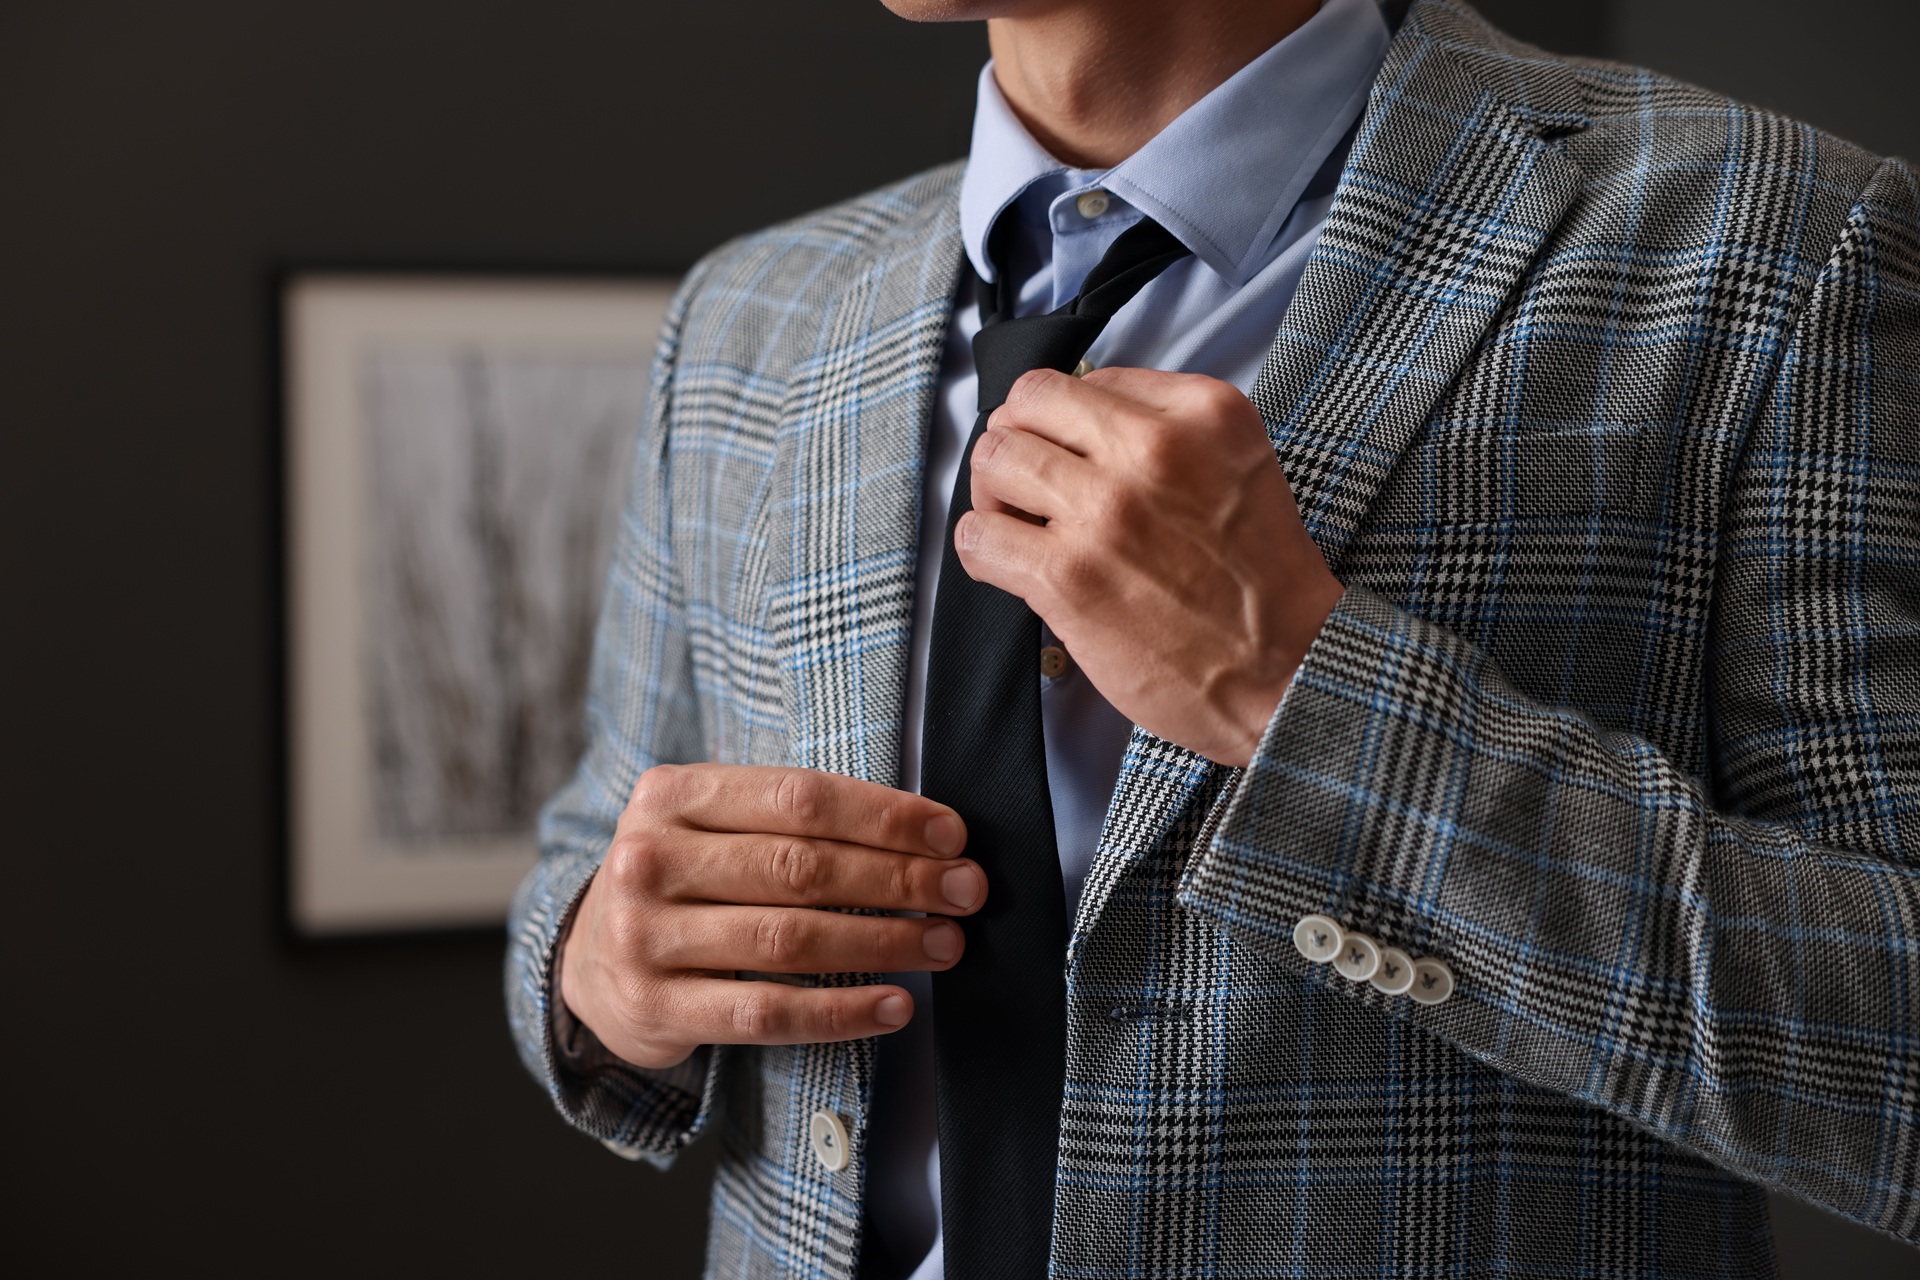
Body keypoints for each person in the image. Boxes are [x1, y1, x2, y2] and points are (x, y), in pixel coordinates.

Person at [506, 0, 1920, 1275]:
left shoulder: (1774, 246)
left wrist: (1300, 696)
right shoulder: (752, 315)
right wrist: (598, 972)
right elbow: (593, 847)